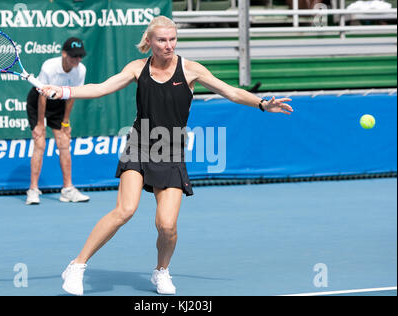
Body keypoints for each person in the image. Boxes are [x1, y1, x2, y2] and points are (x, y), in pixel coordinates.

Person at [40, 16, 293, 295]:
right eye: (162, 40)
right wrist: (62, 91)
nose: (168, 45)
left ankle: (161, 271)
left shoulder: (191, 69)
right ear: (149, 42)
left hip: (171, 150)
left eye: (172, 39)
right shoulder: (138, 68)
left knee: (167, 225)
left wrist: (261, 104)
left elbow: (230, 91)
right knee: (125, 210)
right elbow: (101, 88)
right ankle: (77, 265)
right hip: (139, 143)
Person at [26, 37, 90, 205]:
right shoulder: (49, 67)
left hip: (59, 103)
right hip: (38, 102)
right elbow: (42, 97)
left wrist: (66, 122)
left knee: (64, 142)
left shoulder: (80, 70)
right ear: (64, 54)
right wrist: (40, 124)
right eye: (74, 56)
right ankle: (33, 190)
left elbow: (72, 96)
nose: (77, 60)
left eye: (80, 56)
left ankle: (68, 189)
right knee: (40, 143)